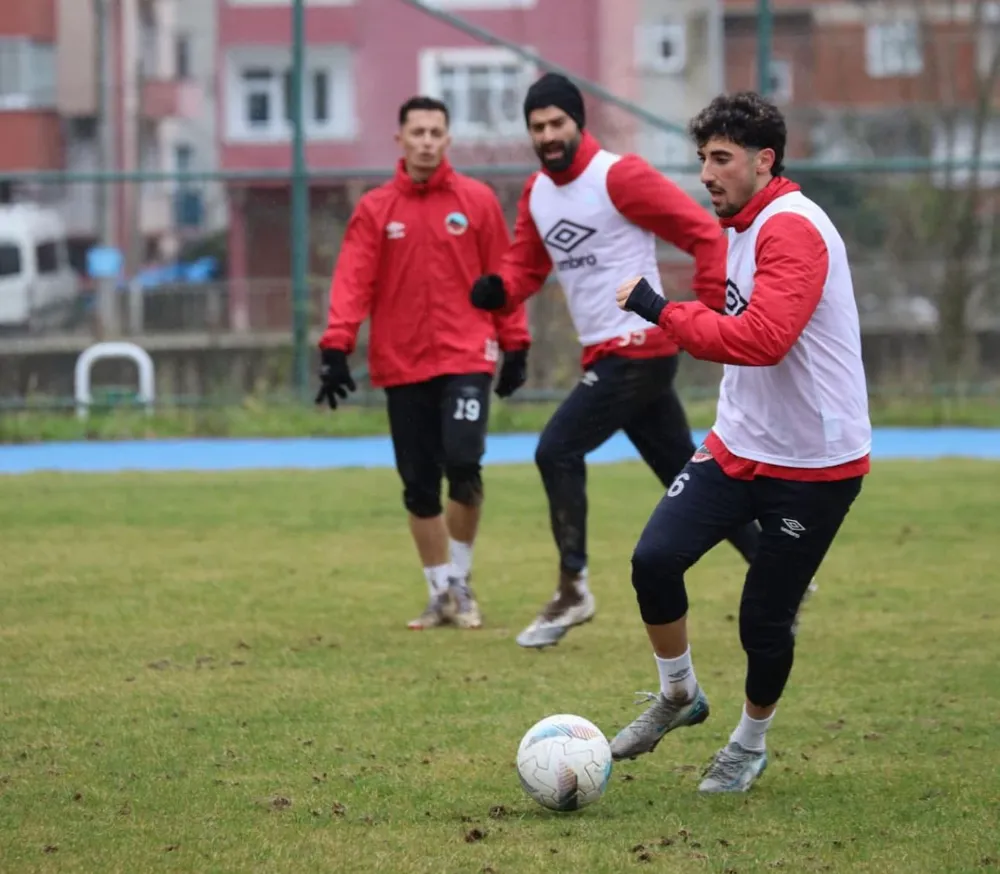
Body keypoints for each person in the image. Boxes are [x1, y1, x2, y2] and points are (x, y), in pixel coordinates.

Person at [609, 91, 871, 793]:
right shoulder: (743, 225)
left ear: (764, 160)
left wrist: (660, 309)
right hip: (738, 445)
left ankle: (749, 741)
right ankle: (677, 696)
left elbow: (761, 340)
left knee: (764, 618)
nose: (706, 173)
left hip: (815, 464)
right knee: (654, 560)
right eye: (702, 159)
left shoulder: (792, 229)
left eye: (721, 158)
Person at [469, 72, 762, 649]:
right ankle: (777, 567)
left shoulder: (618, 176)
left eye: (557, 123)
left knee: (556, 450)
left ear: (579, 122)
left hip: (638, 348)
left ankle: (574, 589)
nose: (548, 134)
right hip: (612, 352)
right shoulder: (537, 193)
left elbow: (703, 234)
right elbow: (525, 267)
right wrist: (498, 292)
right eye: (537, 127)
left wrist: (706, 313)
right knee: (684, 470)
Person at [316, 96, 532, 631]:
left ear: (448, 138)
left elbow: (503, 278)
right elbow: (353, 280)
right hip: (401, 361)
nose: (428, 141)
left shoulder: (477, 202)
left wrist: (516, 343)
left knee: (462, 463)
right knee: (417, 483)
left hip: (466, 355)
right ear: (401, 139)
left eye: (437, 131)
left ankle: (461, 580)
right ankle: (438, 592)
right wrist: (336, 347)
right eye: (418, 132)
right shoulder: (375, 209)